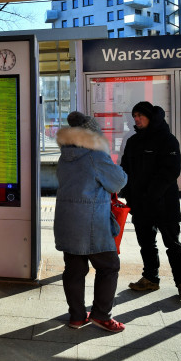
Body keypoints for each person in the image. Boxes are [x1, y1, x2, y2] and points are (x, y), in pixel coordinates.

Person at [54, 111, 128, 333]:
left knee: (74, 269)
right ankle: (101, 316)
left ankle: (77, 316)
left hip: (68, 221)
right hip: (92, 223)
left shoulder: (65, 155)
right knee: (109, 266)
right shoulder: (96, 156)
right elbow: (118, 181)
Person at [120, 101, 181, 298]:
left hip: (164, 204)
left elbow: (170, 171)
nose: (136, 119)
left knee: (173, 244)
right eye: (134, 116)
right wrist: (127, 193)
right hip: (140, 205)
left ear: (150, 116)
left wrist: (149, 194)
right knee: (146, 244)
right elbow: (125, 169)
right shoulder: (133, 142)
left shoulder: (167, 140)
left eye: (140, 115)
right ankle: (150, 278)